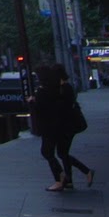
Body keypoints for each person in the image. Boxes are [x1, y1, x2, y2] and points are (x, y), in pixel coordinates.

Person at [30, 63, 94, 192]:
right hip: (66, 125)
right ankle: (71, 179)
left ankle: (65, 177)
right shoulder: (61, 88)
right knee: (62, 153)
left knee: (57, 152)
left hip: (62, 126)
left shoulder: (54, 89)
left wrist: (33, 102)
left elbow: (43, 108)